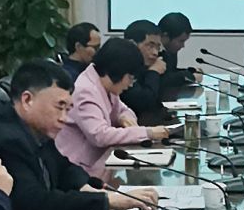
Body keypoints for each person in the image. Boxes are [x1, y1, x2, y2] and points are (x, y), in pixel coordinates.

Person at [0, 60, 157, 210]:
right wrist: (107, 201)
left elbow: (64, 166)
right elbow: (34, 201)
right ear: (27, 100)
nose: (64, 118)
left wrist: (89, 189)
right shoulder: (4, 138)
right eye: (59, 106)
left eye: (68, 109)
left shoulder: (34, 128)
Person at [57, 35, 174, 176]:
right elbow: (100, 136)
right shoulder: (85, 91)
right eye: (130, 78)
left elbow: (124, 110)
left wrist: (123, 117)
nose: (130, 84)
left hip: (102, 162)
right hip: (80, 169)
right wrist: (148, 133)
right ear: (118, 71)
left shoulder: (106, 83)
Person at [118, 20, 171, 125]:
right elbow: (144, 103)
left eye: (158, 47)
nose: (155, 53)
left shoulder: (143, 66)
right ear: (132, 44)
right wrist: (153, 72)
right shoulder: (121, 68)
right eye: (150, 46)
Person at [155, 11, 196, 98]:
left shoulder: (170, 50)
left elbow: (171, 72)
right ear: (165, 36)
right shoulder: (152, 52)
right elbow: (161, 80)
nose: (183, 46)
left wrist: (190, 73)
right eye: (181, 41)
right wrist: (190, 76)